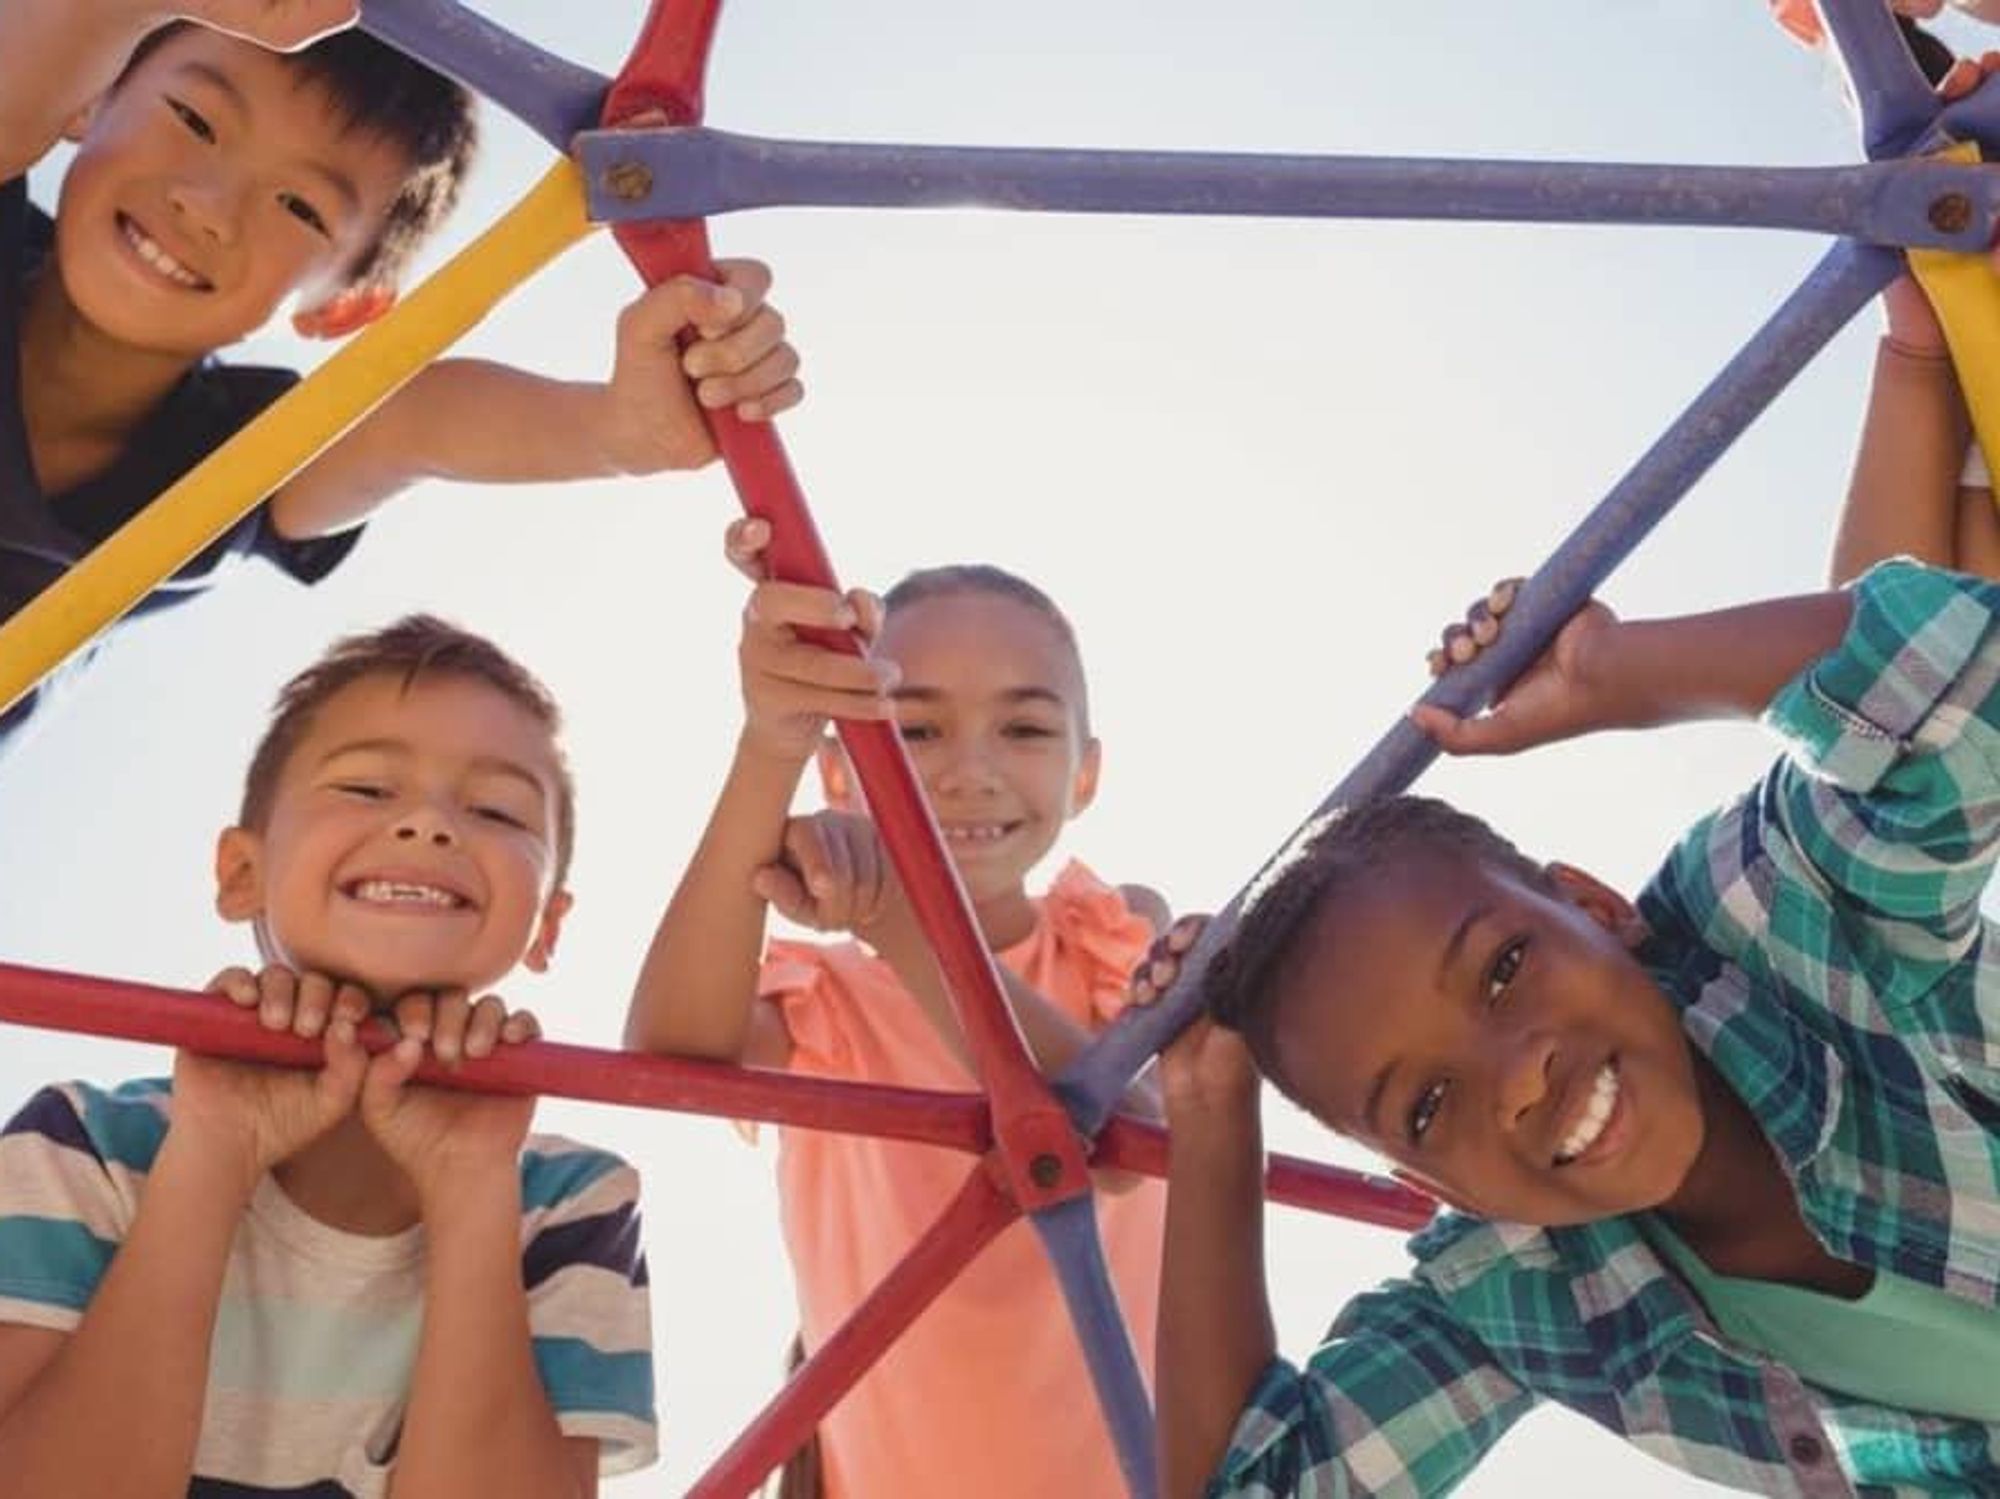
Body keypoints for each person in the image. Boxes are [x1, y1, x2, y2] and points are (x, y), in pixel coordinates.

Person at [1151, 550, 2000, 1496]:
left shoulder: (1773, 908)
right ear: (1441, 1188)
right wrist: (1208, 1107)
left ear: (1595, 909)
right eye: (1429, 1104)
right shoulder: (1525, 1284)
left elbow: (1969, 683)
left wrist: (1622, 672)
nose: (1515, 1079)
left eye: (1506, 968)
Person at [0, 1, 802, 752]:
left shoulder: (236, 459)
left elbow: (417, 421)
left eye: (301, 207)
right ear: (91, 94)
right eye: (193, 118)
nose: (210, 205)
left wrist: (620, 429)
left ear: (343, 307)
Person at [0, 615, 656, 1496]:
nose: (428, 823)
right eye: (366, 788)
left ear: (546, 923)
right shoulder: (81, 1142)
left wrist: (468, 1182)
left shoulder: (568, 1202)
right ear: (241, 873)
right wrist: (213, 1149)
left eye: (496, 810)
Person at [625, 519, 1178, 1498]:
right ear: (840, 771)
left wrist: (900, 923)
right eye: (914, 729)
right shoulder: (827, 997)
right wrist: (771, 743)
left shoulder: (1116, 933)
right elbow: (668, 1050)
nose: (969, 768)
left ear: (1083, 772)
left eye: (1024, 727)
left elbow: (1120, 1137)